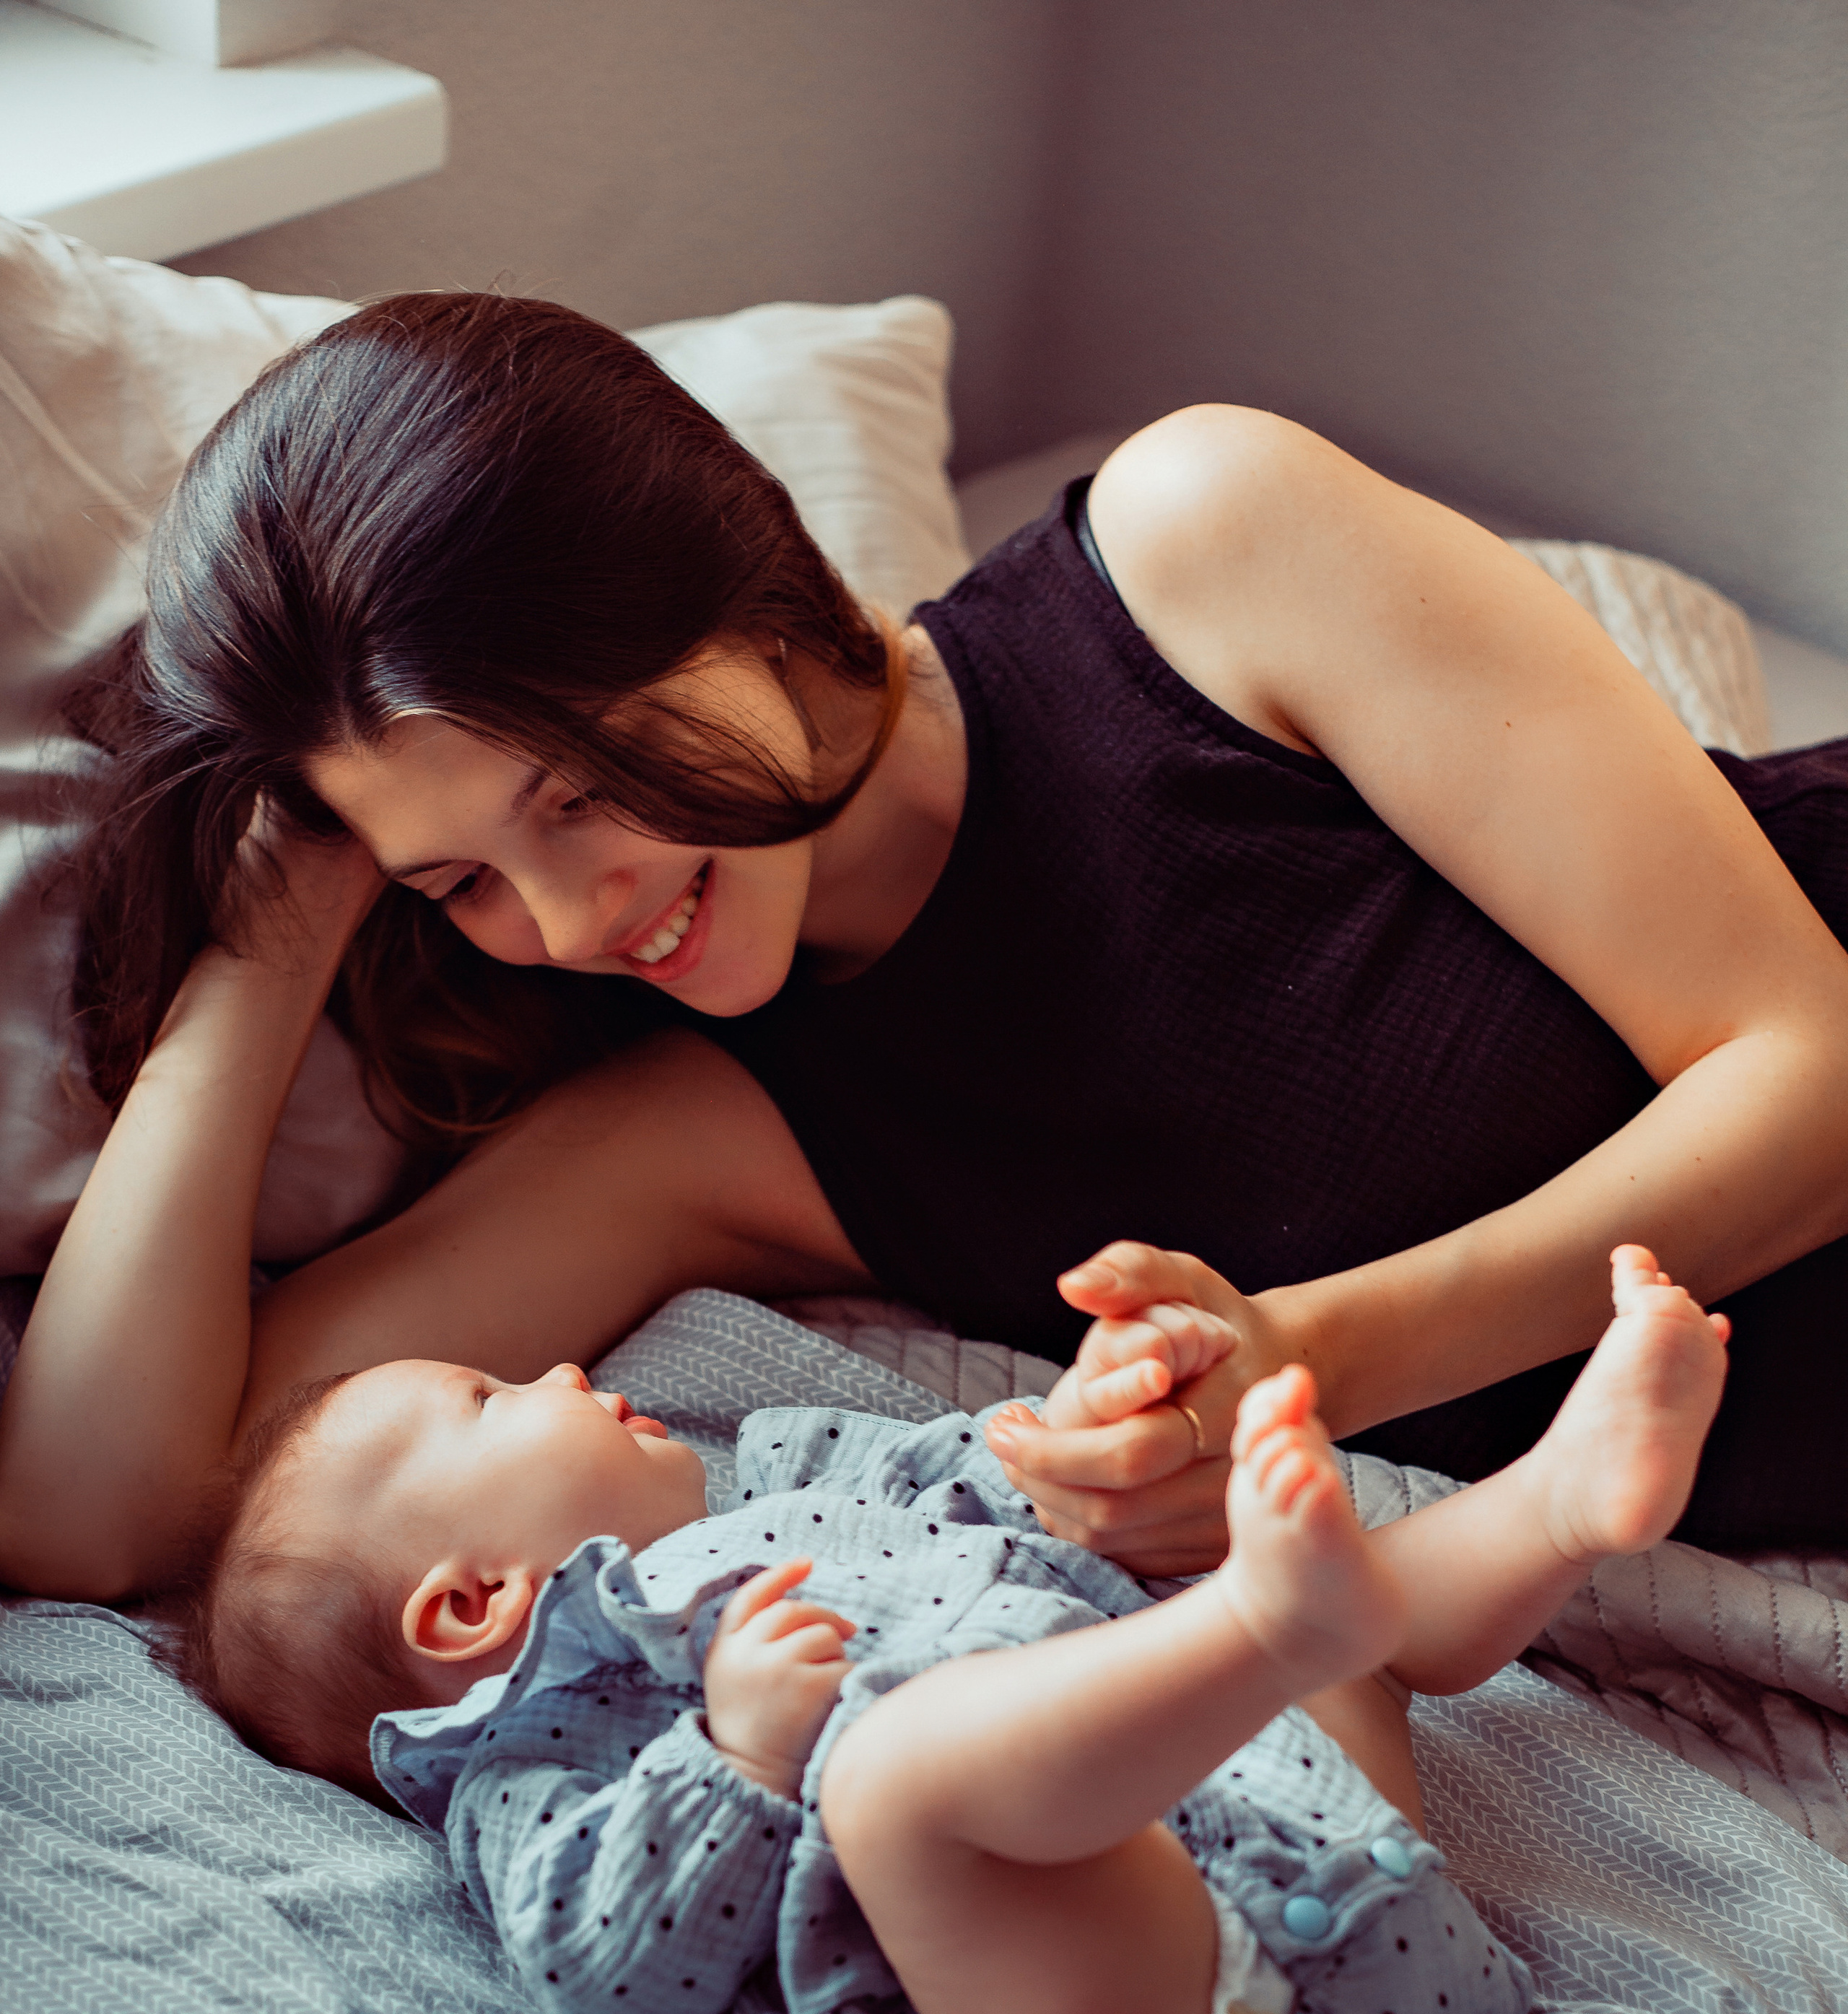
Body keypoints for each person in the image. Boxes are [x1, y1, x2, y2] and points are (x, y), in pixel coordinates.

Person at [3, 292, 1845, 1607]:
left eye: (575, 793)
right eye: (458, 885)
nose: (570, 929)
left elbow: (1809, 1069)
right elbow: (107, 1520)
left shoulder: (1199, 546)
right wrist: (271, 934)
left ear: (730, 579)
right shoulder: (710, 1127)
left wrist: (1298, 1361)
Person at [170, 1245, 1723, 2014]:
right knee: (897, 1781)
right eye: (490, 1399)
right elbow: (604, 1979)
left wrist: (1086, 1417)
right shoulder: (535, 1768)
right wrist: (735, 1758)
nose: (559, 1372)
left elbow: (1003, 1488)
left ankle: (1557, 1508)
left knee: (1314, 1626)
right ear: (471, 1604)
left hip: (1324, 1885)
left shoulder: (777, 1488)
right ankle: (1268, 1623)